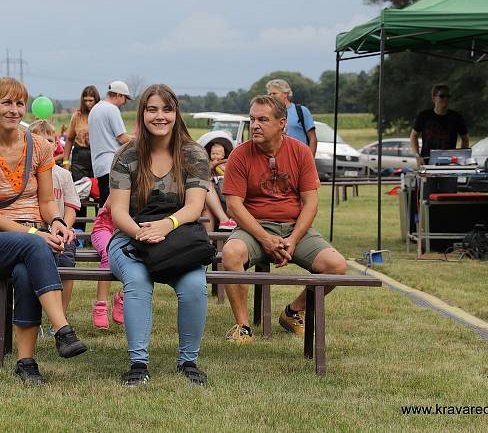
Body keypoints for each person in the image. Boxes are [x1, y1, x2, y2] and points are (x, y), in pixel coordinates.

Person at [0, 77, 87, 384]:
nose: (14, 110)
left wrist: (57, 222)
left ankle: (26, 362)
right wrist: (34, 234)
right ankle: (62, 329)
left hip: (34, 237)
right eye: (6, 102)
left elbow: (47, 201)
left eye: (20, 103)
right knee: (34, 247)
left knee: (23, 271)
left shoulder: (42, 148)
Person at [221, 95, 347, 343]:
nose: (255, 125)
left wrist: (293, 238)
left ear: (282, 123)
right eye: (252, 119)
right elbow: (234, 206)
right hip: (254, 228)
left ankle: (293, 312)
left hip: (294, 227)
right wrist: (265, 238)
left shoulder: (300, 152)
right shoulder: (239, 155)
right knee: (231, 252)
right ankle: (243, 326)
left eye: (263, 120)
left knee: (337, 267)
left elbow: (311, 203)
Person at [107, 84, 210, 386]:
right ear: (142, 114)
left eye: (166, 109)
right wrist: (143, 233)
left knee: (194, 285)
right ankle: (138, 364)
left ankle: (188, 361)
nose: (160, 116)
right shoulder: (125, 155)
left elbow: (195, 206)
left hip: (178, 236)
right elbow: (119, 212)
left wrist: (166, 226)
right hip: (131, 236)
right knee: (137, 282)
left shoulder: (193, 154)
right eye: (152, 109)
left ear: (176, 113)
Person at [28, 119, 81, 320]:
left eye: (49, 140)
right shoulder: (27, 175)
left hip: (61, 233)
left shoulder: (63, 175)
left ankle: (60, 315)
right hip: (34, 233)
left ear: (55, 143)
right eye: (38, 140)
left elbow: (71, 208)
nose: (44, 144)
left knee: (66, 266)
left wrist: (64, 228)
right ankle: (34, 316)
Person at [88, 81, 133, 206]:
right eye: (125, 98)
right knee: (115, 207)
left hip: (99, 166)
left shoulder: (95, 109)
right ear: (118, 95)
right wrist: (140, 139)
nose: (124, 102)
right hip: (112, 165)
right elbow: (122, 138)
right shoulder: (112, 109)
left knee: (104, 205)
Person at [410, 84, 469, 165]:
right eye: (442, 96)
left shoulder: (456, 117)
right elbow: (413, 136)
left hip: (449, 163)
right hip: (427, 162)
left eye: (448, 96)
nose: (445, 99)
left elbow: (465, 138)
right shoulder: (424, 116)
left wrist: (461, 157)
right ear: (434, 98)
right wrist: (417, 156)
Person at [90, 199, 124, 329]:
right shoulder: (122, 180)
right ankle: (100, 305)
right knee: (108, 252)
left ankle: (122, 297)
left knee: (142, 256)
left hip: (132, 230)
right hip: (105, 228)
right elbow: (111, 204)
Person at [266, 78, 317, 157]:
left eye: (274, 93)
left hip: (299, 158)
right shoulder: (269, 113)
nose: (271, 96)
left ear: (285, 94)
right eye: (269, 94)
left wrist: (310, 159)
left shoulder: (301, 111)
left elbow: (312, 138)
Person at [63, 86, 100, 182]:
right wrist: (66, 162)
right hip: (79, 157)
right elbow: (70, 139)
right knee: (81, 191)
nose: (88, 103)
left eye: (91, 100)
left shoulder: (101, 114)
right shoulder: (77, 116)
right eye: (85, 100)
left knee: (99, 192)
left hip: (97, 156)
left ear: (96, 100)